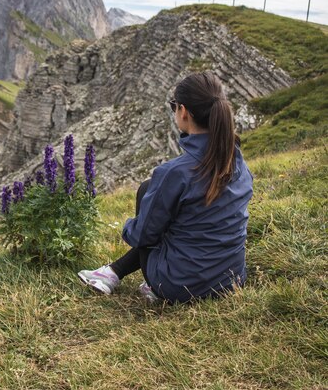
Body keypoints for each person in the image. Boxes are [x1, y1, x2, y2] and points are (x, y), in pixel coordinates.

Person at [78, 71, 253, 303]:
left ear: (183, 112)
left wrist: (128, 226)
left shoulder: (174, 173)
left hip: (179, 286)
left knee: (146, 192)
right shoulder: (238, 162)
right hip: (230, 280)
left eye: (174, 106)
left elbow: (142, 236)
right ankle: (112, 272)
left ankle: (135, 281)